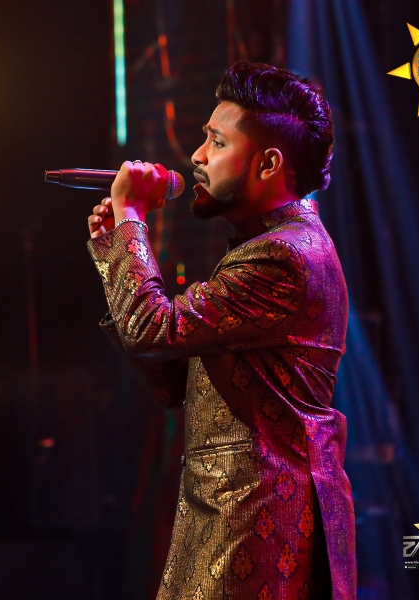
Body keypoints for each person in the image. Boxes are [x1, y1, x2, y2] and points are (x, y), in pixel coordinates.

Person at [86, 61, 355, 599]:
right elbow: (174, 380)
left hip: (261, 516)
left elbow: (153, 331)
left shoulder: (281, 256)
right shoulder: (271, 245)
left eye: (216, 141)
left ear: (268, 163)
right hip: (236, 510)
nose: (197, 156)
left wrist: (132, 219)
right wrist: (116, 247)